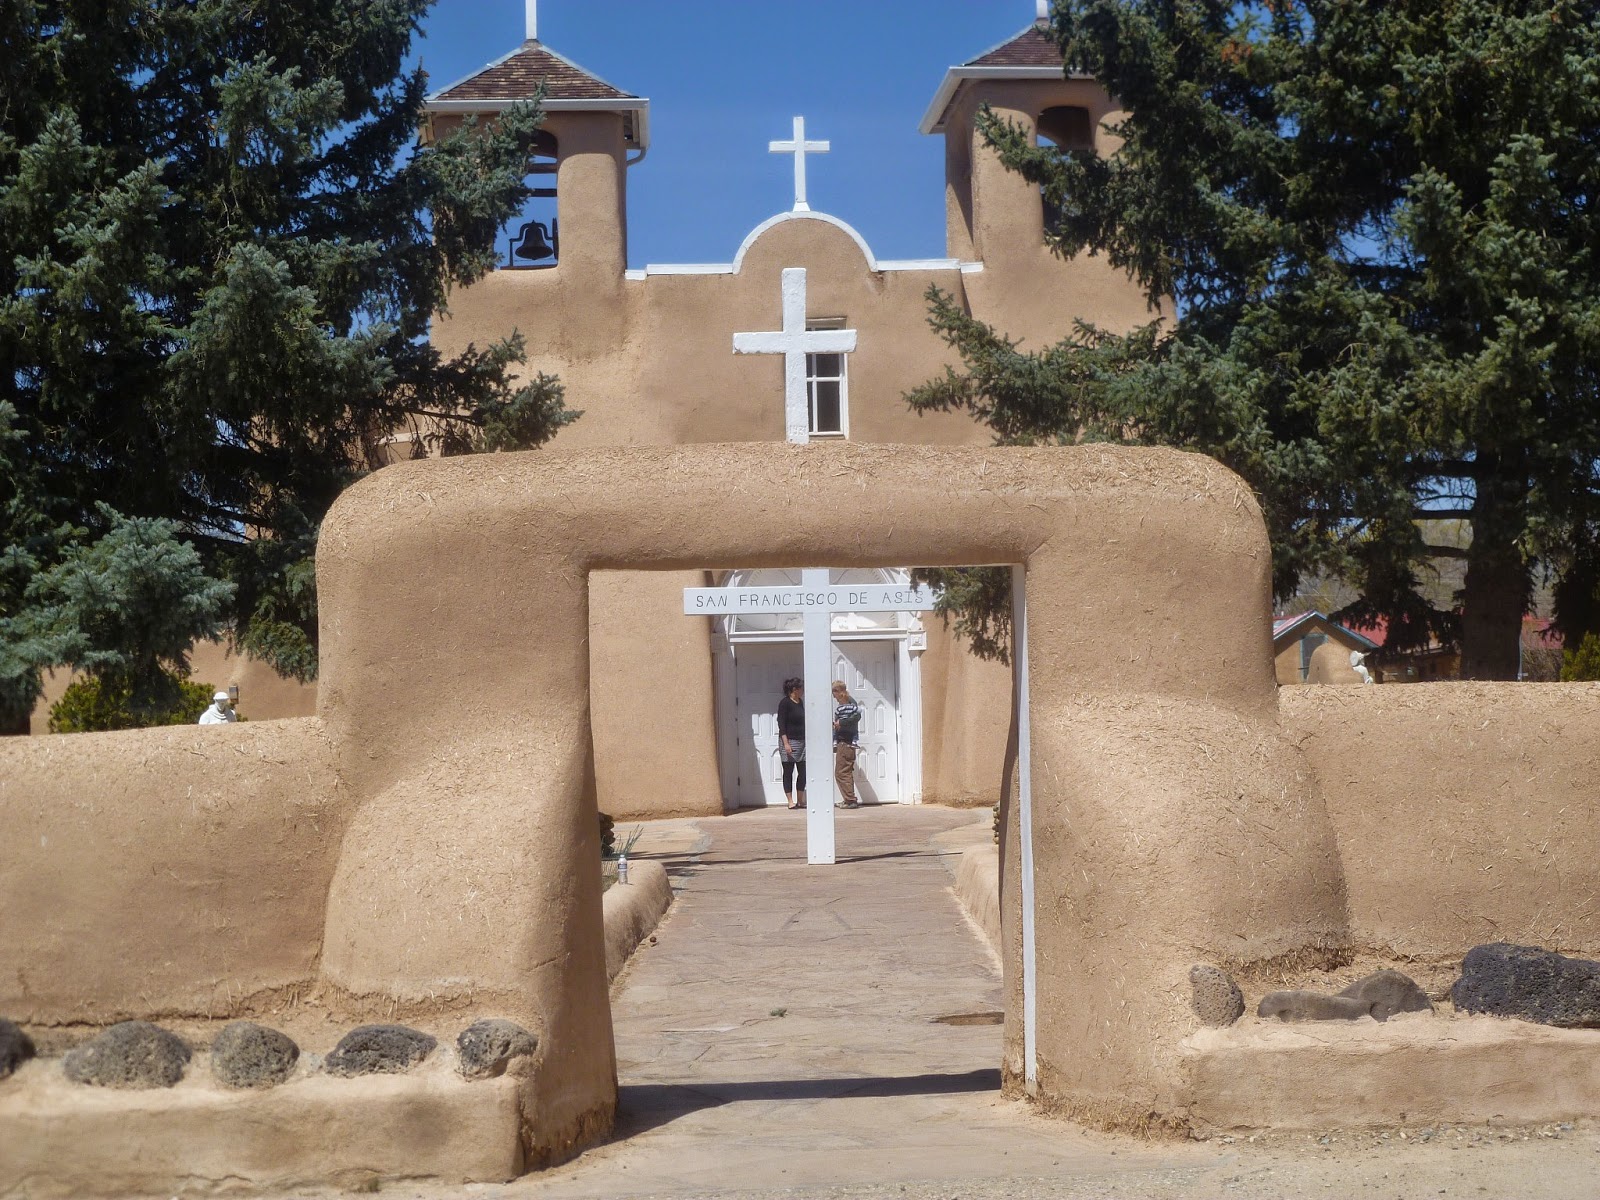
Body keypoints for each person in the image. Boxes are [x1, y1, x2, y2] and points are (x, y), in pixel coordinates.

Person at [832, 681, 864, 808]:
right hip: (844, 741)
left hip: (846, 742)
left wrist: (841, 723)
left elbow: (857, 717)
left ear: (838, 691)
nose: (833, 696)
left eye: (834, 693)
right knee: (844, 771)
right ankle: (848, 799)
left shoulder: (850, 703)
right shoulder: (846, 703)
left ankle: (850, 800)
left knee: (841, 772)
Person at [777, 677, 806, 810]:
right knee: (788, 771)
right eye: (801, 688)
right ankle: (790, 801)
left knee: (803, 771)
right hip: (788, 741)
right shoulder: (785, 703)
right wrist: (786, 744)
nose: (803, 691)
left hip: (802, 742)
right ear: (795, 689)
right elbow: (781, 724)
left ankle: (800, 800)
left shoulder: (800, 702)